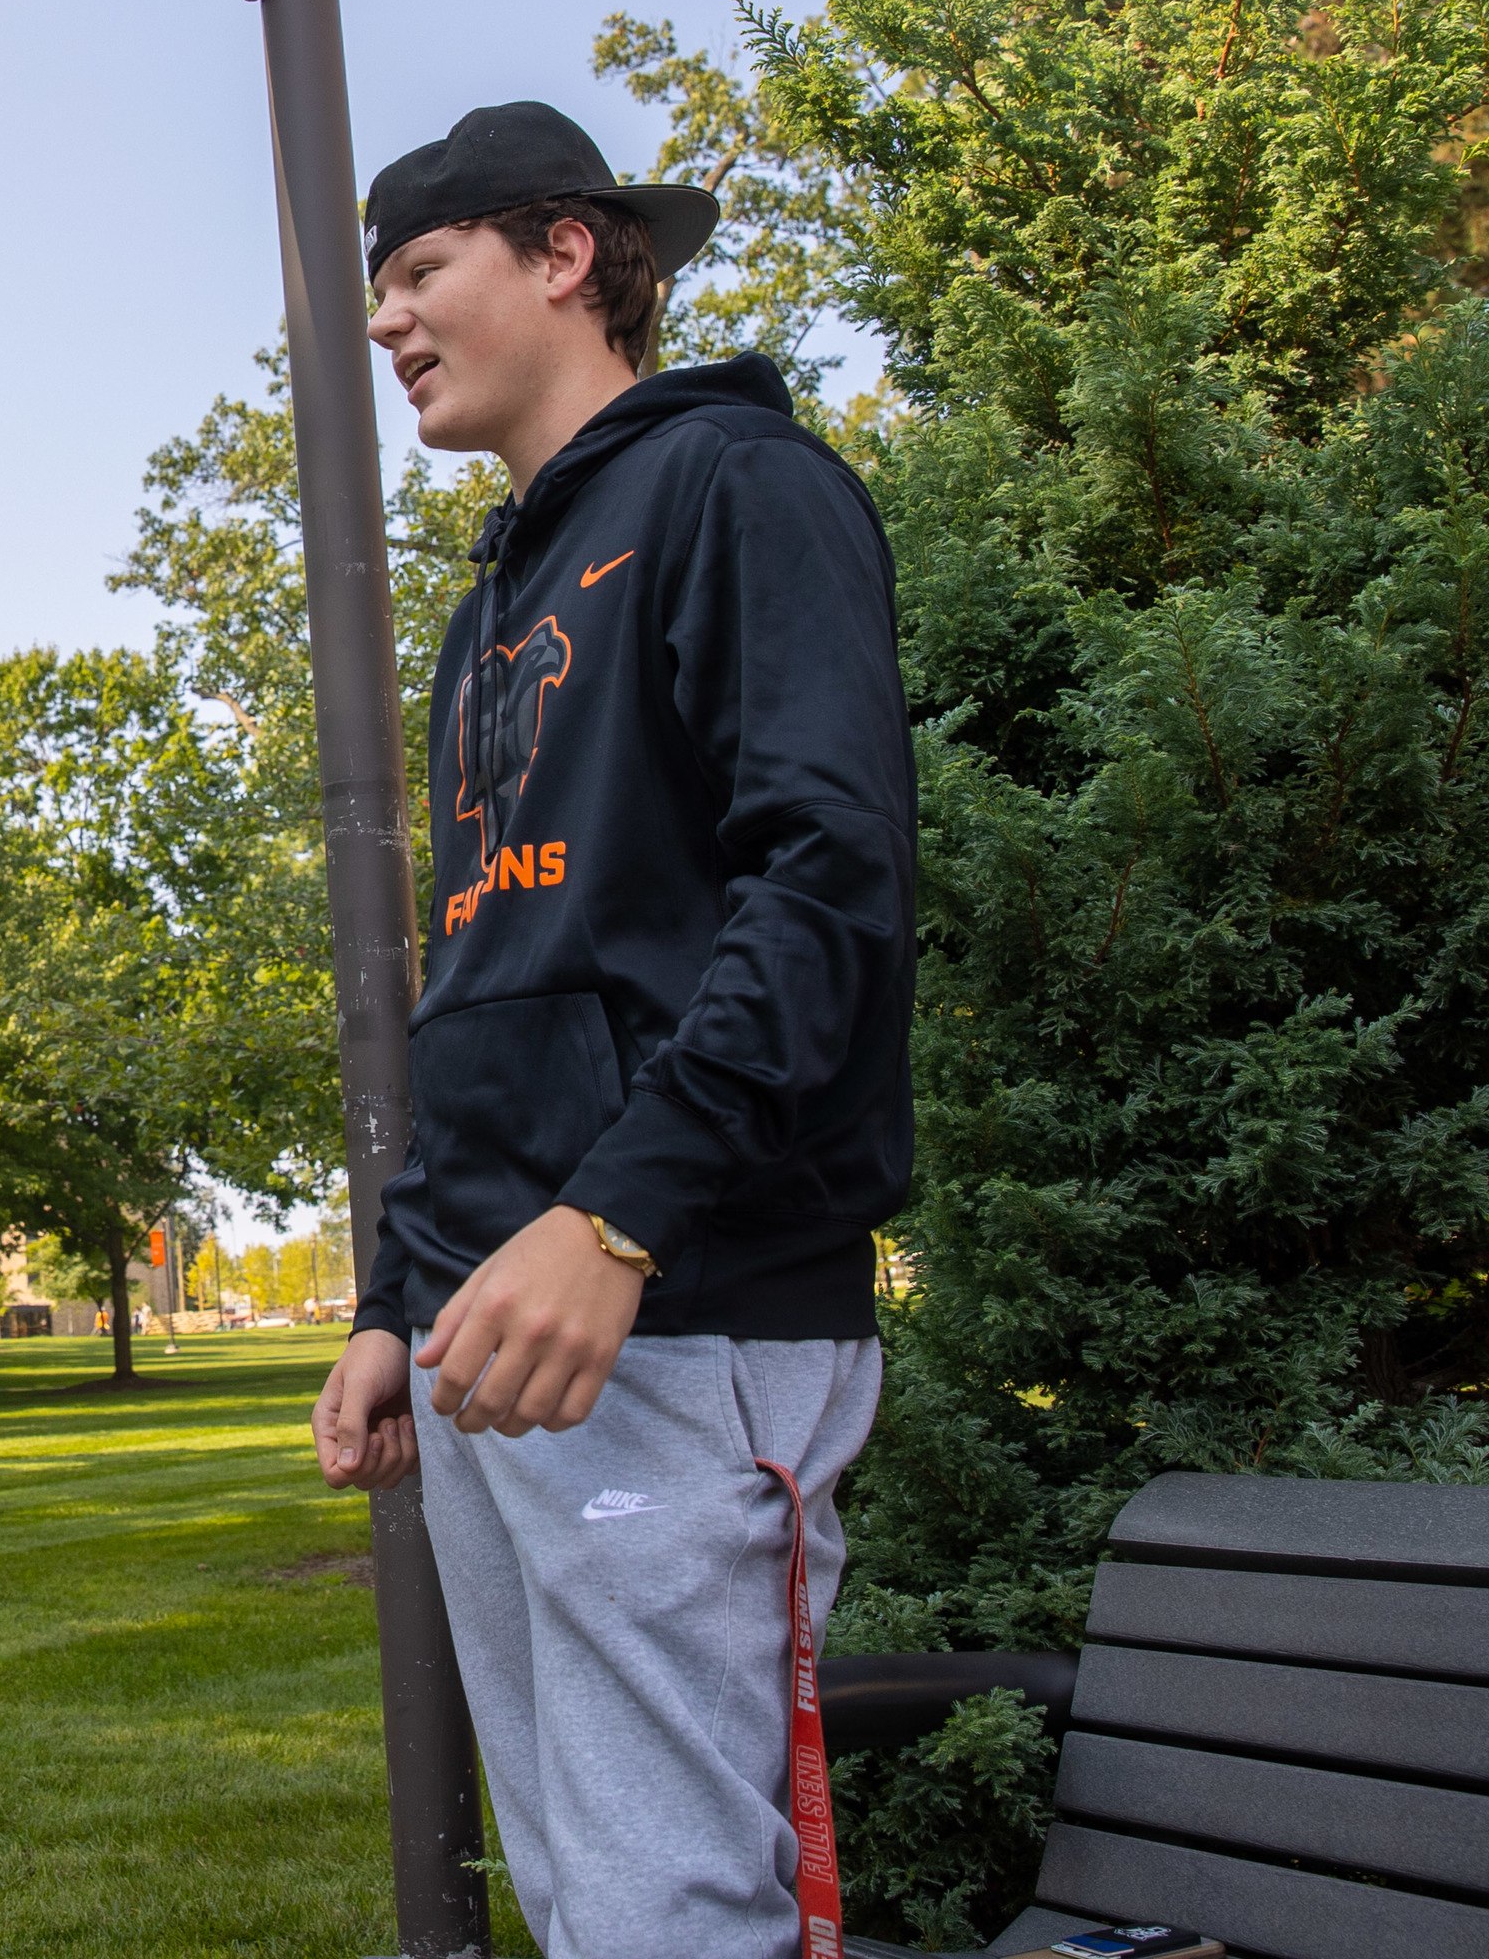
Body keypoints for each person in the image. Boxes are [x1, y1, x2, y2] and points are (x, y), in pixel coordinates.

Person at [310, 102, 915, 1959]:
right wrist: (399, 1300)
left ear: (566, 253)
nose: (388, 322)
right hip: (504, 1329)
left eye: (422, 271)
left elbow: (825, 888)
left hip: (686, 1301)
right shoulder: (490, 607)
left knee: (677, 1902)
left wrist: (621, 1218)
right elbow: (486, 984)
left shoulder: (744, 490)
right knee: (583, 1887)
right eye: (377, 289)